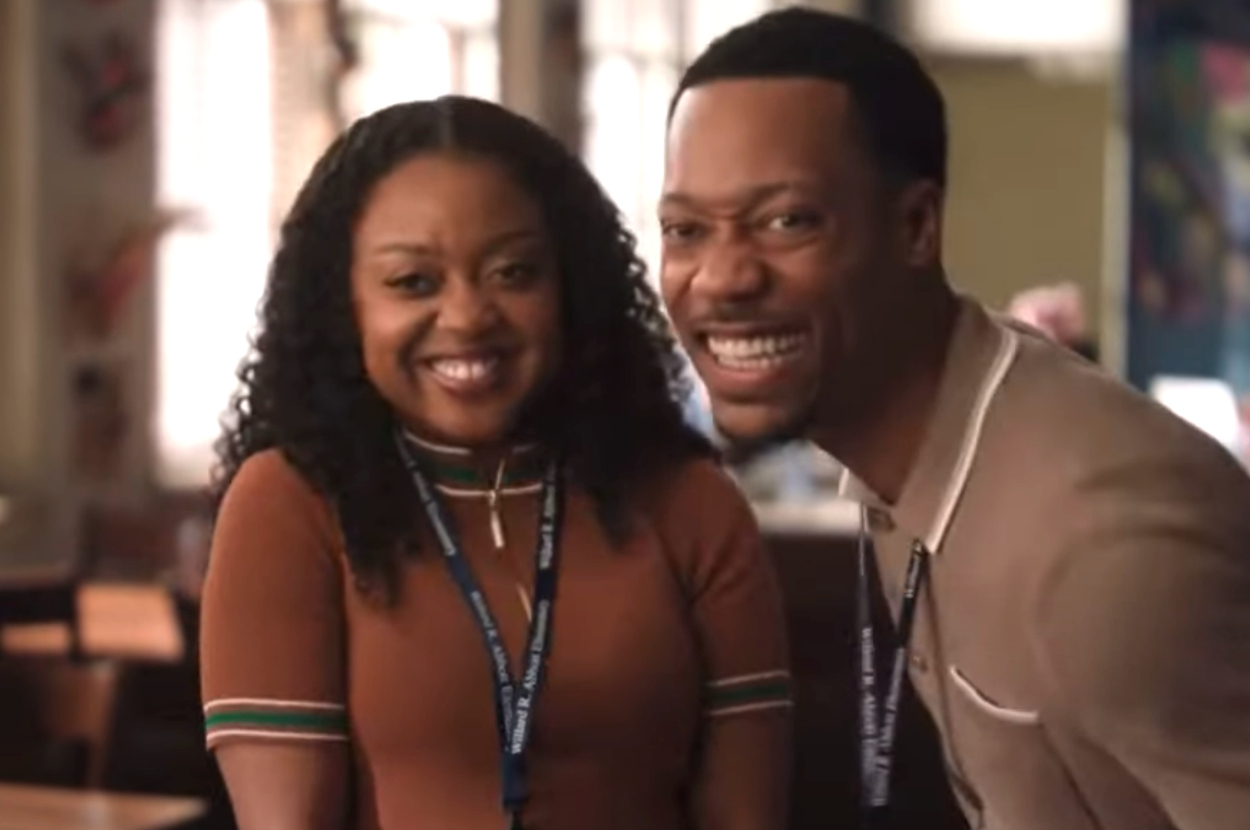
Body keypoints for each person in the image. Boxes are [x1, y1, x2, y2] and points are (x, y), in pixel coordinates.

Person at [660, 8, 1250, 830]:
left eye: (786, 220)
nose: (719, 278)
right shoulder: (900, 456)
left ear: (916, 226)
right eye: (685, 230)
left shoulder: (1094, 544)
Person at [200, 96, 792, 830]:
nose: (469, 316)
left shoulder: (691, 501)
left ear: (569, 286)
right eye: (414, 282)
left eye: (513, 273)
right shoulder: (288, 504)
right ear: (342, 305)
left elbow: (746, 817)